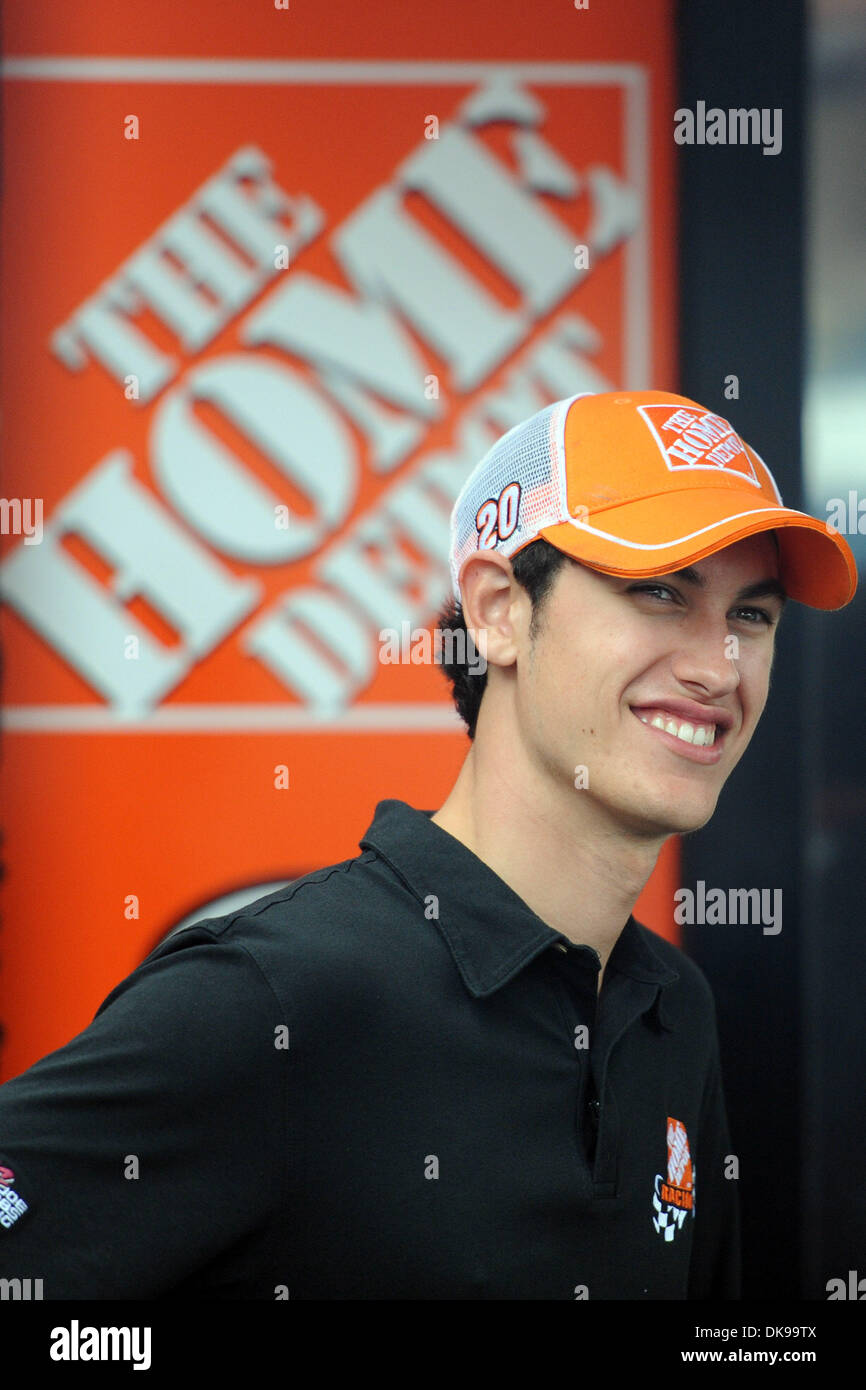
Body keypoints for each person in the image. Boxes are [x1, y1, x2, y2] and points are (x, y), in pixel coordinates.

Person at [0, 390, 856, 1301]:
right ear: (497, 611)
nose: (717, 665)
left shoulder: (671, 1009)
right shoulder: (277, 996)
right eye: (659, 592)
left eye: (752, 617)